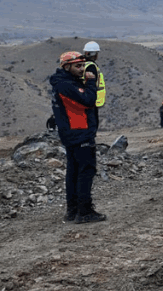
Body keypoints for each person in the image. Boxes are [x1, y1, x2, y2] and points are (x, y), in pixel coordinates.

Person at [50, 51, 105, 224]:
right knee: (85, 172)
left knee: (74, 172)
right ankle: (84, 211)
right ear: (67, 67)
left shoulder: (64, 83)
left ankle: (73, 211)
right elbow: (88, 100)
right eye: (78, 66)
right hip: (79, 133)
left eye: (83, 65)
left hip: (72, 133)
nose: (82, 69)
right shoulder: (67, 85)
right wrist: (90, 82)